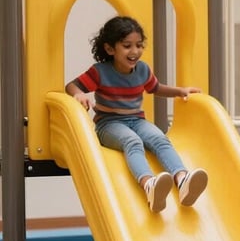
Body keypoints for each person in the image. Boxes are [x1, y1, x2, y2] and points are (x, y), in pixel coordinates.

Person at [66, 16, 208, 213]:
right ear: (110, 49)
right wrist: (79, 94)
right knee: (133, 142)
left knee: (160, 139)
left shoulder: (142, 69)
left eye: (139, 45)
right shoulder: (100, 72)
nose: (134, 51)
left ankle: (182, 180)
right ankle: (149, 184)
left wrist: (180, 91)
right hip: (108, 124)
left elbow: (155, 88)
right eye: (127, 46)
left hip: (136, 120)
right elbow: (72, 86)